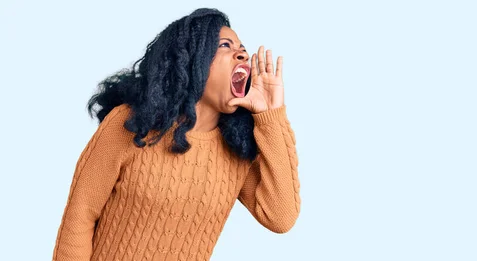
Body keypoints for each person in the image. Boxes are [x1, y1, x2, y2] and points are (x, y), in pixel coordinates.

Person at [51, 8, 300, 261]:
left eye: (242, 48)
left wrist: (272, 114)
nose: (243, 54)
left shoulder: (238, 148)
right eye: (225, 45)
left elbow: (281, 217)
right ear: (192, 59)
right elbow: (80, 216)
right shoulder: (131, 123)